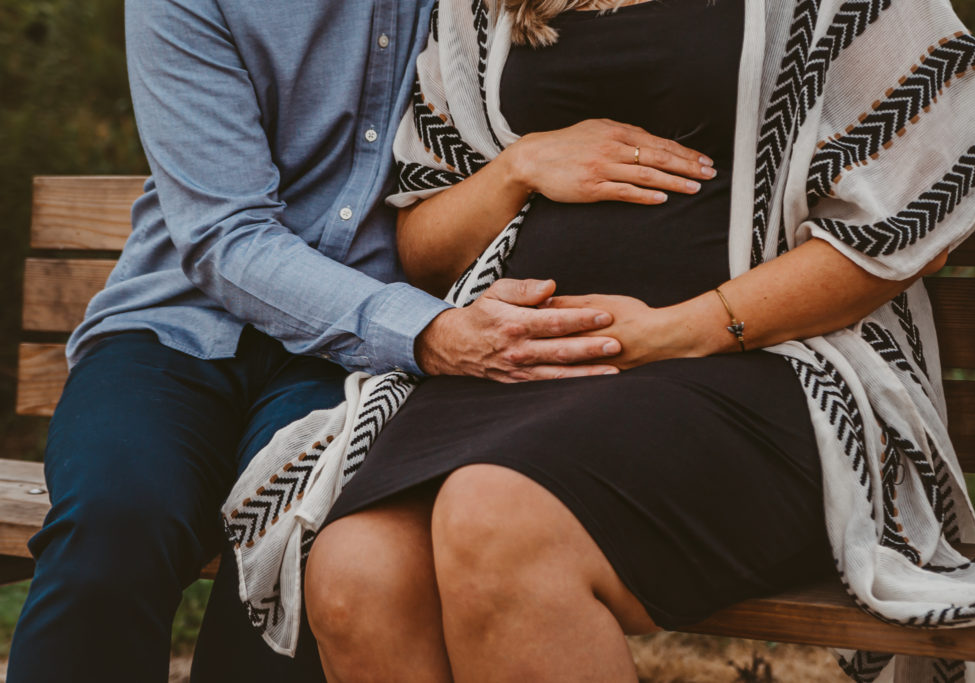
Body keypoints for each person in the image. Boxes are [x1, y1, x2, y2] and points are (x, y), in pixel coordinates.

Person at [298, 0, 975, 681]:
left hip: (755, 372)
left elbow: (916, 217)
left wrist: (683, 328)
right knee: (353, 572)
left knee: (497, 516)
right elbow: (423, 247)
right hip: (516, 374)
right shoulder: (482, 9)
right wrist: (520, 167)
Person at [4, 1, 653, 682]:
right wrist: (426, 332)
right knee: (112, 528)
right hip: (180, 325)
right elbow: (225, 237)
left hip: (355, 364)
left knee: (298, 550)